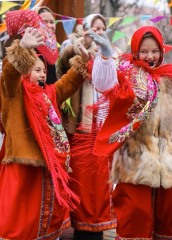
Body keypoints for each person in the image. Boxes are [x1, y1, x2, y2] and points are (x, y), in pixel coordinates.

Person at [72, 25, 172, 239]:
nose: (150, 56)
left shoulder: (170, 78)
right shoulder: (125, 74)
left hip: (170, 164)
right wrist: (106, 57)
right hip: (135, 164)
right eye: (144, 51)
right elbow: (104, 84)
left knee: (169, 222)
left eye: (155, 51)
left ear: (162, 52)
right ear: (135, 51)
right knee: (134, 220)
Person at [0, 9, 92, 240]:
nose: (42, 75)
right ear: (24, 70)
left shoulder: (46, 94)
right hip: (23, 168)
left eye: (43, 70)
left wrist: (83, 62)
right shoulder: (13, 93)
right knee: (20, 224)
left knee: (45, 224)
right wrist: (21, 48)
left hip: (46, 167)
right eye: (36, 70)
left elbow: (67, 84)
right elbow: (8, 75)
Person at [58, 13, 118, 240]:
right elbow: (64, 59)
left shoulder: (111, 52)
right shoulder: (72, 46)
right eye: (95, 27)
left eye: (102, 28)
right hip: (80, 129)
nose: (99, 32)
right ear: (84, 28)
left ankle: (98, 227)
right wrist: (83, 45)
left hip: (103, 127)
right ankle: (80, 228)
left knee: (101, 184)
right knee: (82, 184)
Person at [35, 6, 58, 85]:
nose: (49, 26)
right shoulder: (29, 48)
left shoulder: (53, 48)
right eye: (44, 22)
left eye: (52, 22)